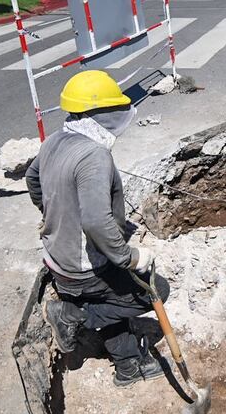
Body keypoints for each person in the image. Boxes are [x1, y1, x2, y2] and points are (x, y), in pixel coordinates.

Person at [26, 70, 165, 387]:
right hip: (84, 269)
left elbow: (33, 180)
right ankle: (73, 316)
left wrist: (52, 214)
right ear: (101, 114)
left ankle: (128, 367)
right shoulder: (94, 155)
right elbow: (95, 222)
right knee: (153, 290)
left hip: (56, 258)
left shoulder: (54, 141)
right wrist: (130, 257)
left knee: (114, 305)